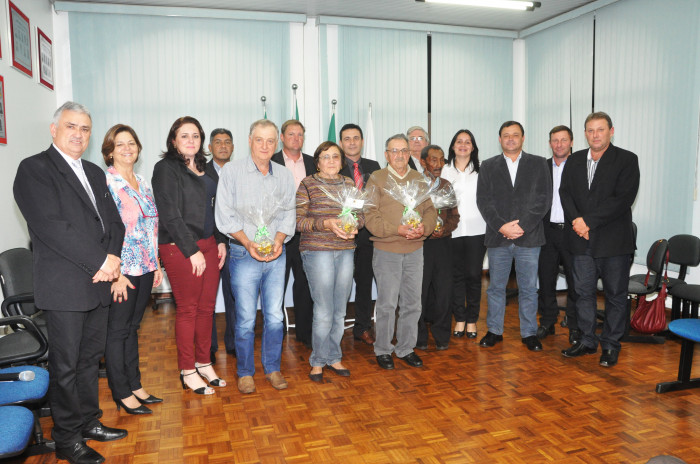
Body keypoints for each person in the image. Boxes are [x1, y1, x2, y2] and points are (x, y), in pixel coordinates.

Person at [13, 101, 127, 464]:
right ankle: (66, 439)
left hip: (98, 283)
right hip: (65, 286)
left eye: (85, 129)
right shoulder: (34, 169)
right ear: (54, 129)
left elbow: (115, 223)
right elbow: (52, 227)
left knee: (89, 361)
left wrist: (112, 259)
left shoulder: (94, 172)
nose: (78, 134)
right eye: (71, 127)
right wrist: (102, 260)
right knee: (65, 366)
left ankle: (88, 422)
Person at [215, 119, 296, 394]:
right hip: (242, 253)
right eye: (259, 140)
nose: (265, 146)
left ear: (278, 143)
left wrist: (277, 240)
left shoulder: (284, 175)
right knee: (246, 317)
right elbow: (224, 215)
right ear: (249, 140)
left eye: (270, 140)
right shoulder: (231, 172)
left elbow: (289, 214)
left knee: (274, 316)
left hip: (277, 254)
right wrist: (248, 243)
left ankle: (273, 368)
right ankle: (245, 372)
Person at [152, 116, 227, 396]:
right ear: (173, 140)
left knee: (207, 308)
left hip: (209, 244)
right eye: (184, 136)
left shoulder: (206, 167)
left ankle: (204, 362)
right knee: (188, 309)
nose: (190, 141)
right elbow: (169, 214)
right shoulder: (165, 169)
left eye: (195, 136)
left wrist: (220, 242)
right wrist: (192, 249)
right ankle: (187, 370)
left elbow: (217, 208)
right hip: (179, 246)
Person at [560, 112, 640, 368]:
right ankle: (587, 341)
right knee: (583, 294)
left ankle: (610, 346)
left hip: (614, 243)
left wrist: (588, 222)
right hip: (580, 241)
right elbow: (565, 194)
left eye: (600, 130)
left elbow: (622, 200)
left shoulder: (627, 160)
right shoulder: (573, 161)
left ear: (611, 131)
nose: (595, 135)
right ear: (585, 133)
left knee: (615, 296)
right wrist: (576, 221)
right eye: (590, 130)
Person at [102, 124, 163, 415]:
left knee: (133, 329)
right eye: (120, 144)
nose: (127, 149)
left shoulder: (142, 181)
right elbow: (103, 232)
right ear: (109, 152)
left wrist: (158, 264)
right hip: (122, 272)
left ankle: (136, 385)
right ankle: (121, 392)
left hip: (147, 266)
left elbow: (152, 226)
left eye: (132, 143)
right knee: (117, 332)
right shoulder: (107, 184)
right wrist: (117, 273)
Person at [476, 121, 551, 352]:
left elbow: (543, 199)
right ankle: (494, 331)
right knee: (496, 287)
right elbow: (483, 201)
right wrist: (502, 226)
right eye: (506, 135)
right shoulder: (488, 166)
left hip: (528, 237)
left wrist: (522, 227)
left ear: (523, 138)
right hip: (498, 237)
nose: (510, 139)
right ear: (499, 139)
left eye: (515, 135)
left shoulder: (538, 163)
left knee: (529, 288)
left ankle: (529, 333)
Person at [365, 134, 437, 370]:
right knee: (387, 303)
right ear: (386, 154)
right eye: (394, 151)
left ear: (409, 153)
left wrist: (423, 229)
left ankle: (406, 348)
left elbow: (430, 211)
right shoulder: (377, 179)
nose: (399, 155)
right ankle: (383, 349)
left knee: (413, 303)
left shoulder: (418, 179)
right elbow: (370, 215)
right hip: (387, 250)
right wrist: (397, 229)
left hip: (415, 249)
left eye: (404, 151)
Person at [296, 141, 362, 382]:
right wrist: (326, 224)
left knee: (340, 309)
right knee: (324, 310)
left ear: (342, 161)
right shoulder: (308, 184)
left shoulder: (348, 184)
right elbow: (298, 222)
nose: (332, 161)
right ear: (318, 161)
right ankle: (317, 361)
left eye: (336, 156)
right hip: (317, 251)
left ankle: (334, 356)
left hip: (345, 250)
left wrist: (354, 225)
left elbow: (360, 215)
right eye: (326, 157)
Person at [271, 120, 315, 348]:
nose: (296, 138)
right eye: (291, 134)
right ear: (282, 137)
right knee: (277, 284)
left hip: (305, 234)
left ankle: (304, 333)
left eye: (300, 134)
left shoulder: (313, 162)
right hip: (278, 233)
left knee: (305, 283)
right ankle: (275, 333)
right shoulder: (272, 161)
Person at [441, 129, 487, 340]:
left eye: (467, 142)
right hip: (453, 231)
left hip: (478, 230)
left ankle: (472, 320)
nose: (463, 145)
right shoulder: (444, 171)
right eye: (459, 141)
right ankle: (459, 318)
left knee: (473, 276)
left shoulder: (482, 170)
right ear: (452, 146)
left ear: (473, 147)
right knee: (456, 276)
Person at [537, 125, 580, 344]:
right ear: (550, 143)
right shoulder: (542, 167)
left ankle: (573, 325)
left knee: (575, 282)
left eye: (564, 140)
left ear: (571, 142)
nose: (559, 144)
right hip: (547, 232)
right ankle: (547, 322)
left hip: (573, 233)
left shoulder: (581, 166)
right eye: (555, 140)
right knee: (545, 280)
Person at [339, 123, 381, 345]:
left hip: (367, 235)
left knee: (364, 283)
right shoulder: (334, 166)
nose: (352, 142)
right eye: (347, 138)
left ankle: (362, 327)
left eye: (356, 138)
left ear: (362, 141)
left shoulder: (374, 166)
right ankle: (335, 329)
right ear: (341, 143)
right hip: (341, 235)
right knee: (341, 285)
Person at [416, 145, 460, 351]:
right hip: (420, 244)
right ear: (423, 162)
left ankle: (442, 336)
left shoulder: (446, 185)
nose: (438, 165)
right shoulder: (413, 185)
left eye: (441, 160)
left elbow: (454, 216)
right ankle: (419, 337)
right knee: (419, 292)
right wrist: (424, 229)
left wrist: (443, 230)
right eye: (434, 160)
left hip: (443, 245)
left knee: (444, 292)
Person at [206, 128, 237, 362]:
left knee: (233, 295)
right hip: (209, 243)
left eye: (227, 142)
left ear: (233, 147)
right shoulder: (200, 172)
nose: (223, 146)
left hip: (236, 242)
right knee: (207, 298)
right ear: (210, 148)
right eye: (218, 142)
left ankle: (234, 342)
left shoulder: (240, 172)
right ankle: (208, 347)